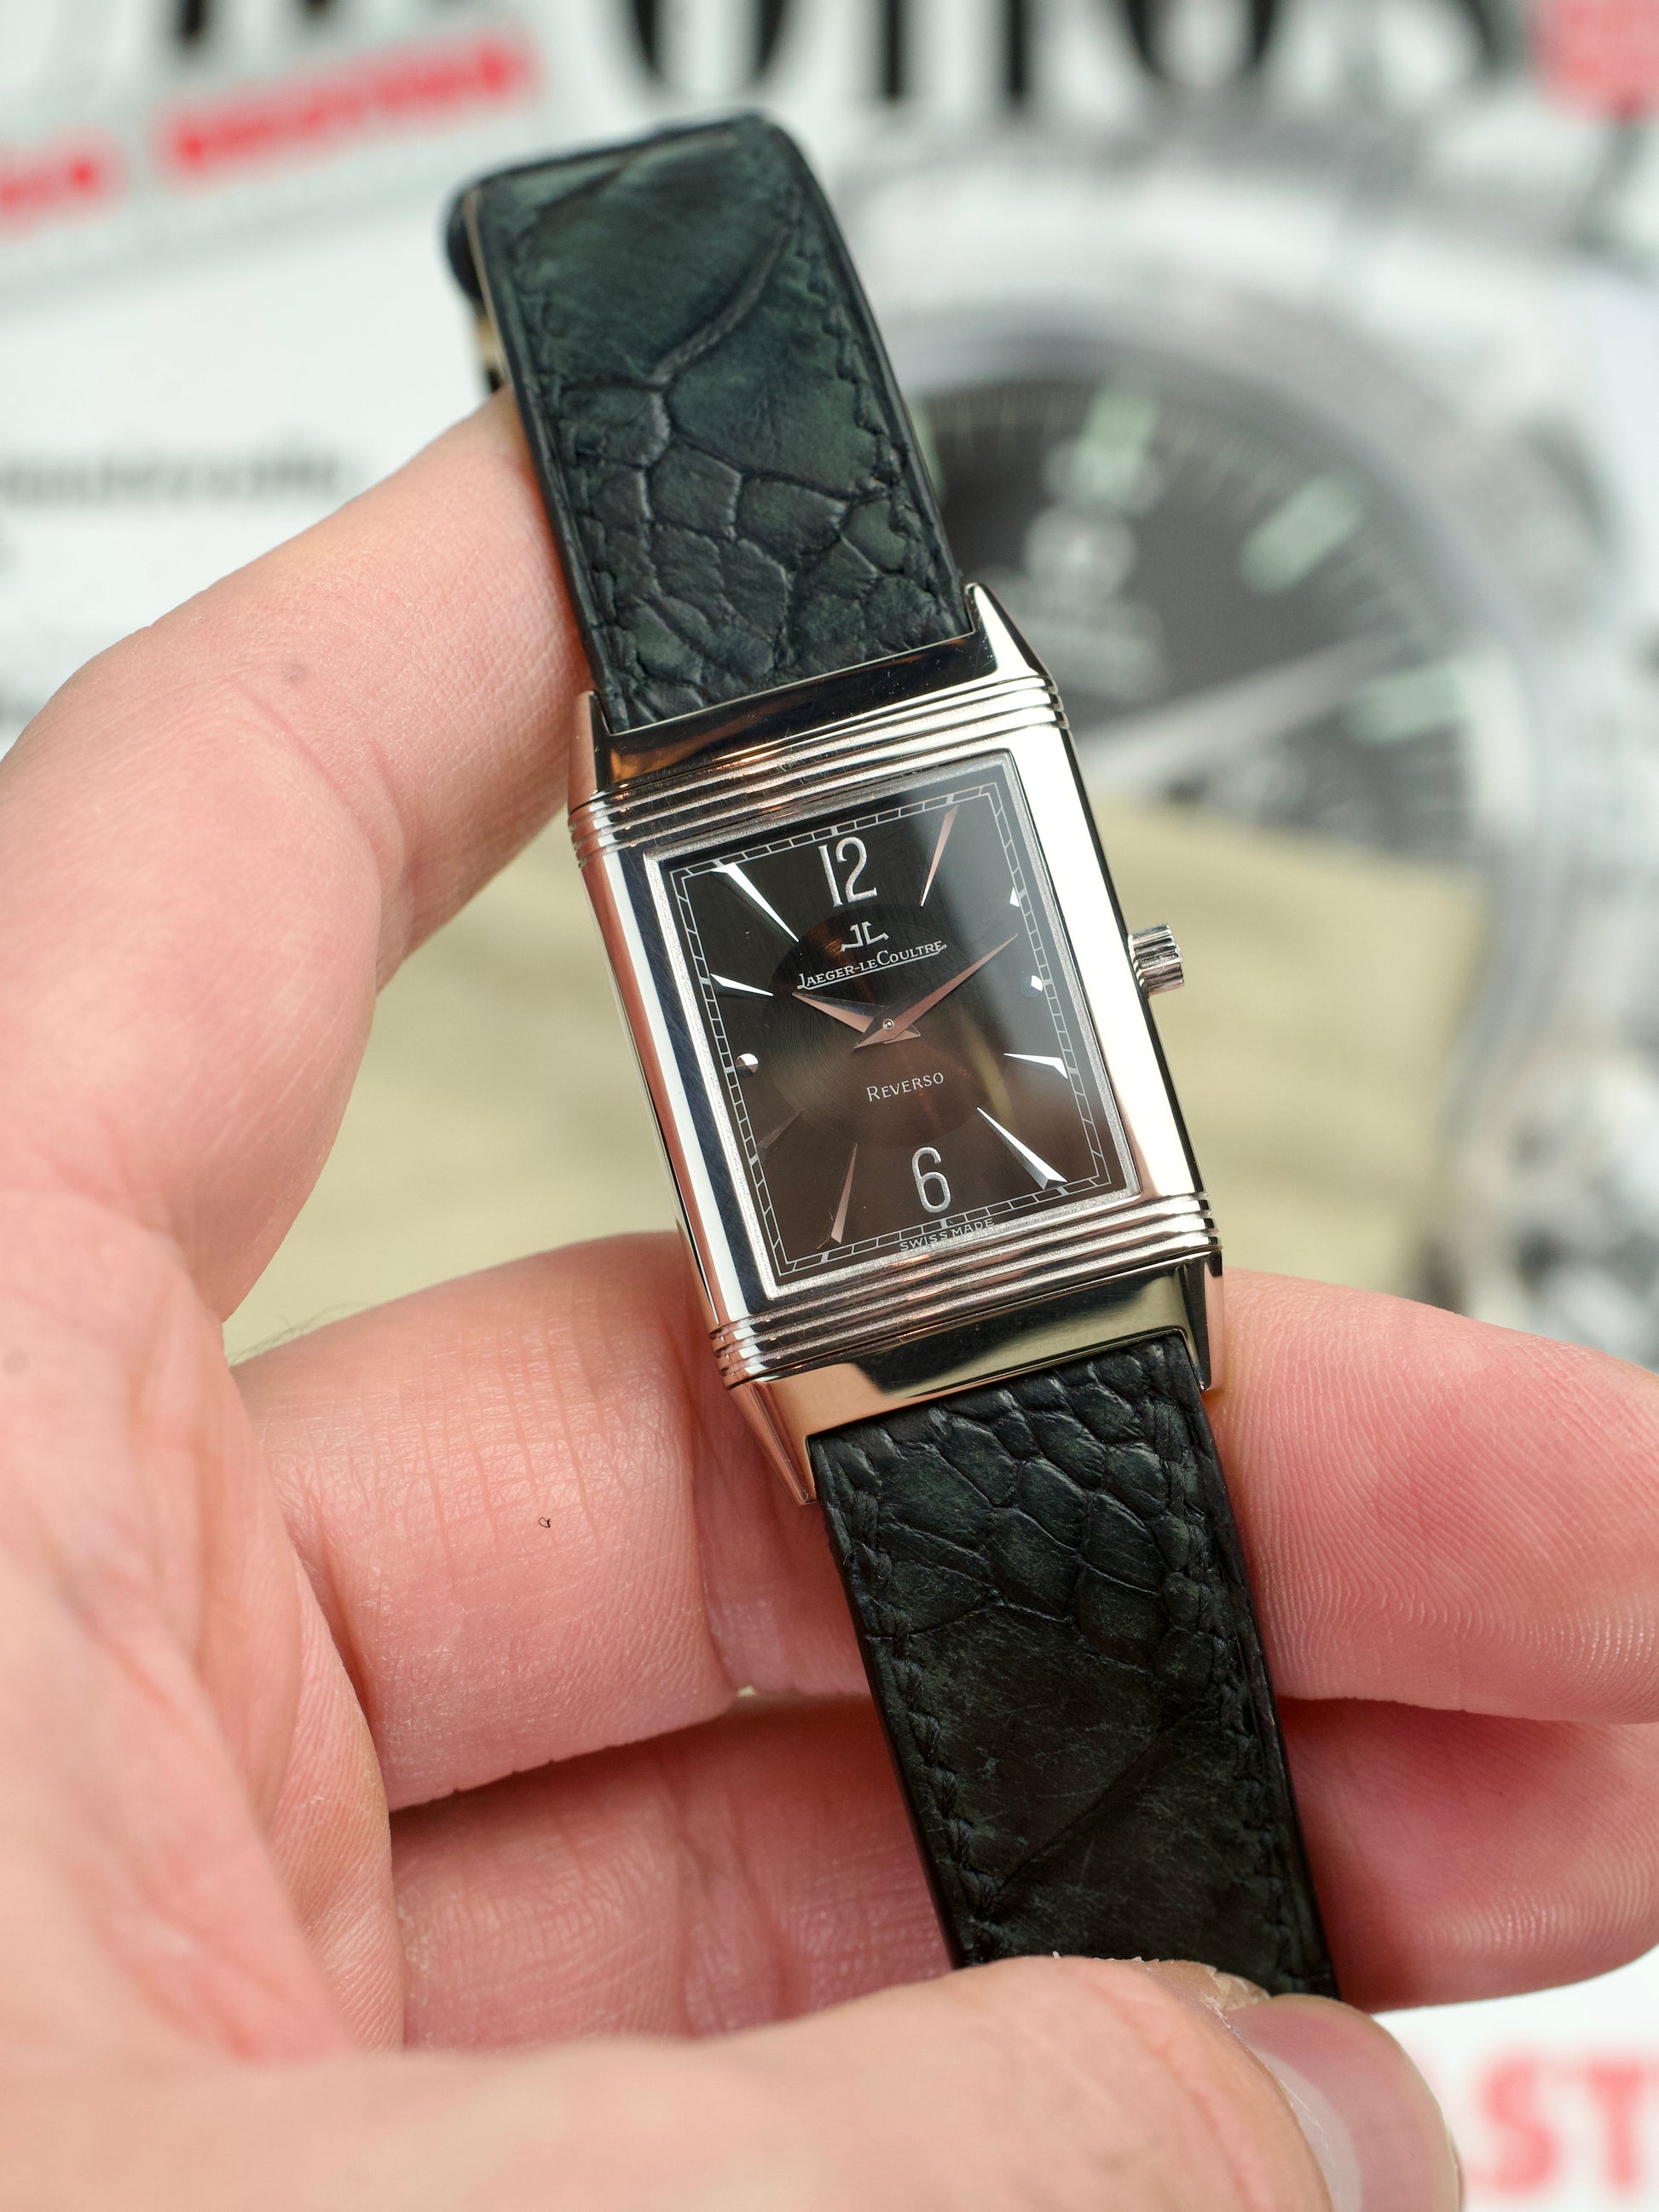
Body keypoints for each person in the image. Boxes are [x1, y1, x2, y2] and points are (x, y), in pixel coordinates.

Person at [1, 393, 1654, 2210]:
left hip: (1021, 1302)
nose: (884, 1022)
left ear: (1116, 972)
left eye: (913, 1004)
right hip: (899, 1347)